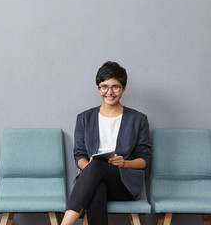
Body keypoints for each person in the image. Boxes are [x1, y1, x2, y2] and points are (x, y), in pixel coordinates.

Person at [61, 61, 150, 225]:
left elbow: (144, 160)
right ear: (98, 88)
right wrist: (89, 168)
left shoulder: (138, 119)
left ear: (123, 88)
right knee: (97, 184)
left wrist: (123, 163)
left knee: (94, 167)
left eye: (115, 87)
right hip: (93, 179)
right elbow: (79, 154)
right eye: (104, 86)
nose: (109, 92)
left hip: (123, 183)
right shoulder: (84, 118)